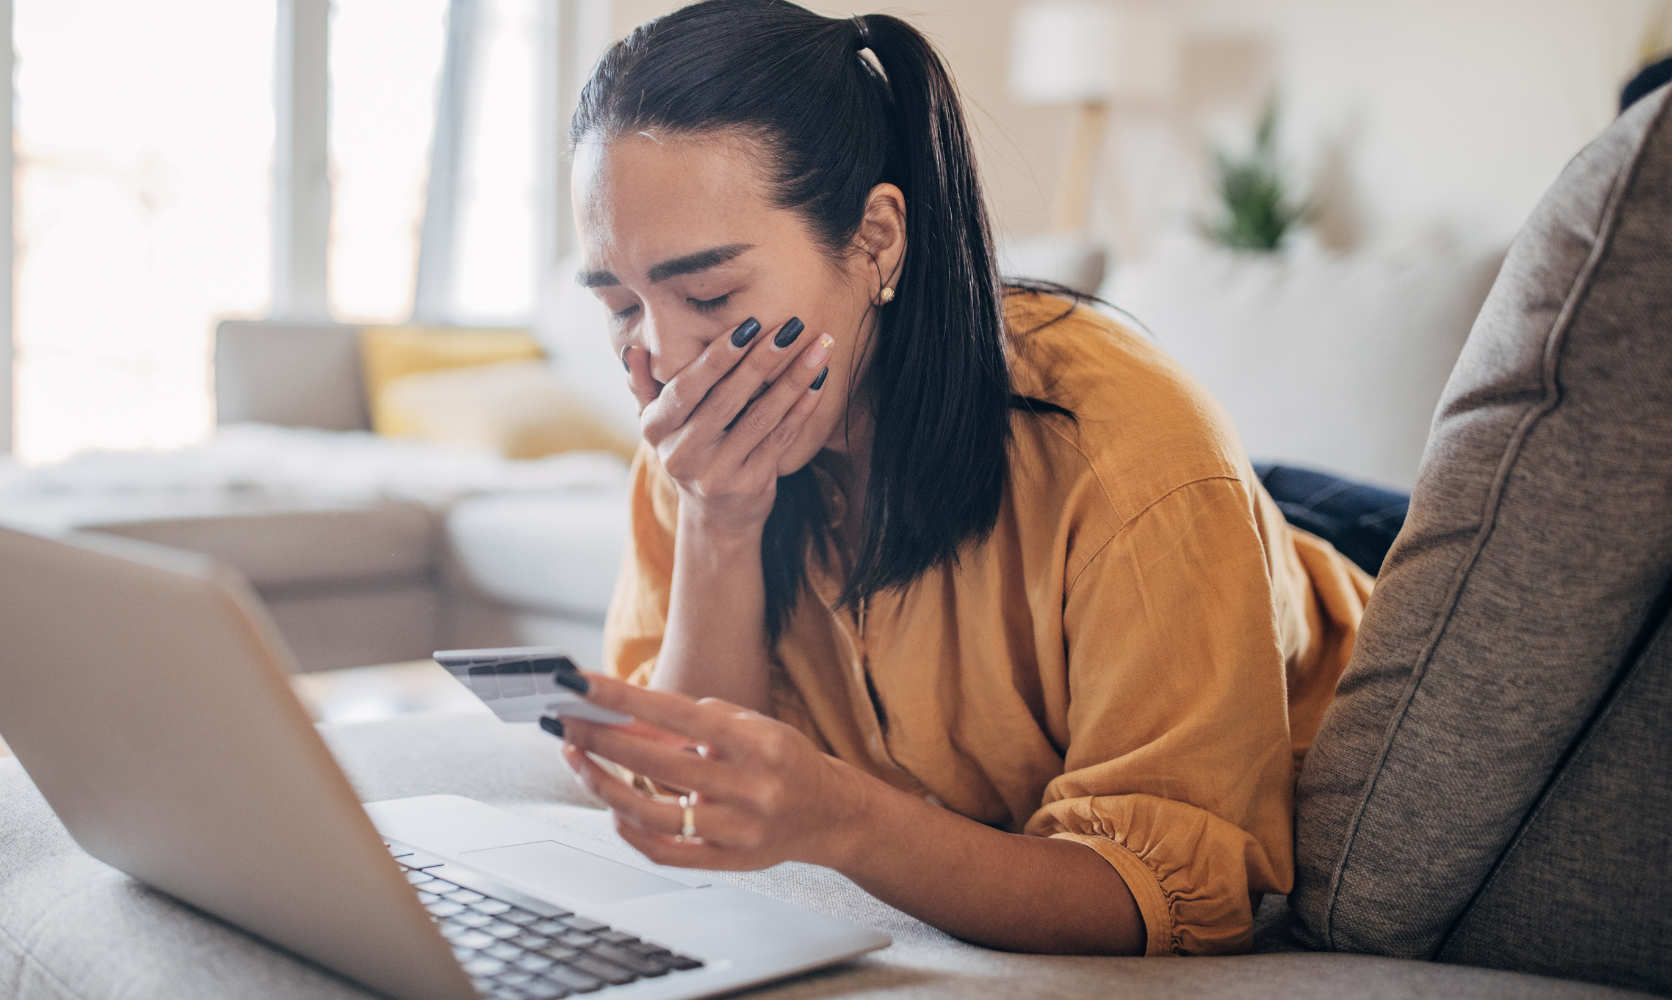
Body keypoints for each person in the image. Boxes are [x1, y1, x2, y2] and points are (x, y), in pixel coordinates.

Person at [546, 0, 1371, 957]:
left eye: (710, 296)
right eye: (617, 306)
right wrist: (718, 523)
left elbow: (1173, 900)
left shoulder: (1132, 455)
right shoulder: (695, 438)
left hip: (1314, 573)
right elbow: (688, 792)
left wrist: (845, 818)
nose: (662, 356)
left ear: (877, 242)